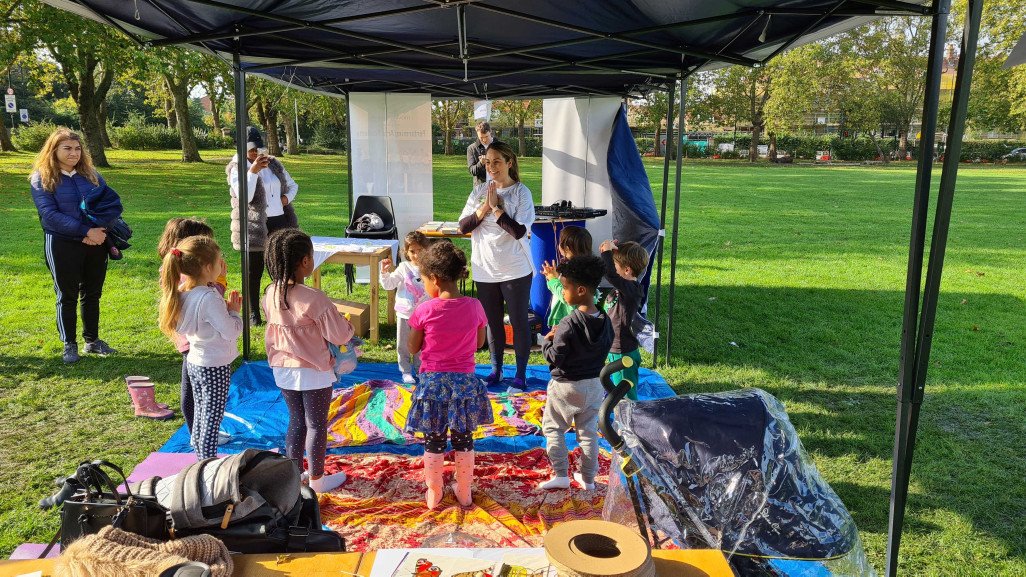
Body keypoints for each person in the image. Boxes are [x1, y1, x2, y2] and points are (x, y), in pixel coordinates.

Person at [262, 229, 355, 493]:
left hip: (282, 369)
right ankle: (317, 480)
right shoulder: (314, 298)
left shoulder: (270, 292)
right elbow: (338, 334)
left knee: (296, 421)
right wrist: (348, 328)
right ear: (305, 262)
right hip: (314, 371)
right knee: (316, 424)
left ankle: (293, 478)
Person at [404, 241, 491, 509]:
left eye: (423, 280)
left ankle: (434, 491)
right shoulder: (475, 305)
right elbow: (479, 343)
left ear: (435, 279)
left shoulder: (424, 310)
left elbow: (412, 347)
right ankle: (464, 490)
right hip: (464, 384)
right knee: (464, 439)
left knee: (434, 439)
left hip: (433, 385)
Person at [30, 128, 121, 364]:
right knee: (66, 295)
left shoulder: (91, 174)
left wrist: (99, 231)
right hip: (62, 243)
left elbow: (111, 205)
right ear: (54, 150)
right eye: (67, 148)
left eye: (77, 148)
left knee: (92, 293)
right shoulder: (42, 177)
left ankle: (92, 340)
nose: (73, 153)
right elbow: (49, 214)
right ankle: (69, 344)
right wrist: (85, 231)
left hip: (97, 241)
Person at [457, 141, 536, 393]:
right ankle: (496, 369)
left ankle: (520, 374)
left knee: (518, 321)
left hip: (515, 267)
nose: (491, 167)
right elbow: (463, 226)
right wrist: (483, 207)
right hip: (485, 267)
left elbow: (519, 231)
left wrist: (496, 209)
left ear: (509, 162)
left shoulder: (522, 193)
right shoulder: (479, 191)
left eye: (497, 162)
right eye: (487, 162)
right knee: (492, 321)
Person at [158, 236, 243, 460]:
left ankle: (199, 451)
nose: (221, 266)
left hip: (196, 362)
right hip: (214, 365)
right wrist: (234, 311)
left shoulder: (185, 292)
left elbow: (206, 321)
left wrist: (223, 310)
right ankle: (206, 463)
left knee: (201, 414)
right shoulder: (209, 297)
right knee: (211, 418)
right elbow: (231, 331)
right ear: (207, 267)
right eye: (219, 263)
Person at [537, 256, 613, 491]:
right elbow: (606, 347)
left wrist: (546, 342)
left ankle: (561, 475)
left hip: (566, 386)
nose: (563, 292)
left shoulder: (568, 323)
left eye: (565, 287)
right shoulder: (605, 319)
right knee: (589, 434)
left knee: (553, 428)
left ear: (580, 290)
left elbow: (555, 356)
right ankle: (588, 480)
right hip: (594, 385)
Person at [157, 218, 227, 436]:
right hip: (193, 338)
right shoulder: (185, 278)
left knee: (195, 385)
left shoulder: (179, 272)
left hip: (193, 335)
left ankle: (199, 430)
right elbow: (210, 302)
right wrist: (218, 281)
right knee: (193, 387)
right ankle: (198, 431)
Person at [227, 126, 299, 327]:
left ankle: (282, 307)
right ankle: (253, 313)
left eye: (257, 149)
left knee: (281, 267)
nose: (255, 153)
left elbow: (294, 185)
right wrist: (253, 171)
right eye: (251, 149)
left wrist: (286, 198)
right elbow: (245, 196)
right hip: (255, 224)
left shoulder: (274, 164)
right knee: (254, 270)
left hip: (280, 221)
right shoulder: (237, 168)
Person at [599, 239, 649, 401]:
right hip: (618, 348)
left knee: (625, 392)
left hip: (623, 350)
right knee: (619, 386)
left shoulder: (631, 290)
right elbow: (608, 272)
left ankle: (628, 421)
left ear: (627, 270)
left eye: (616, 266)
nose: (613, 268)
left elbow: (610, 274)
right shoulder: (625, 287)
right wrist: (607, 252)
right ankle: (623, 413)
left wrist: (606, 253)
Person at [380, 231, 430, 384]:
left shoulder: (429, 268)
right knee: (403, 344)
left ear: (426, 250)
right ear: (406, 252)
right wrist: (384, 272)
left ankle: (421, 368)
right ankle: (406, 370)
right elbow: (389, 285)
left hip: (423, 315)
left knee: (422, 344)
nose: (416, 255)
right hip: (404, 314)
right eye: (412, 251)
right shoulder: (403, 267)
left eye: (419, 251)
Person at [540, 226, 593, 329]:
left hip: (567, 321)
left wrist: (552, 280)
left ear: (567, 248)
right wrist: (556, 276)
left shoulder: (572, 270)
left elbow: (566, 296)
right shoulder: (588, 266)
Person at [466, 121, 502, 188]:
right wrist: (480, 163)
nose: (484, 140)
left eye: (486, 136)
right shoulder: (472, 148)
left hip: (499, 186)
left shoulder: (501, 146)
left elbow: (508, 166)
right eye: (481, 138)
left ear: (490, 131)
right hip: (480, 188)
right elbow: (472, 171)